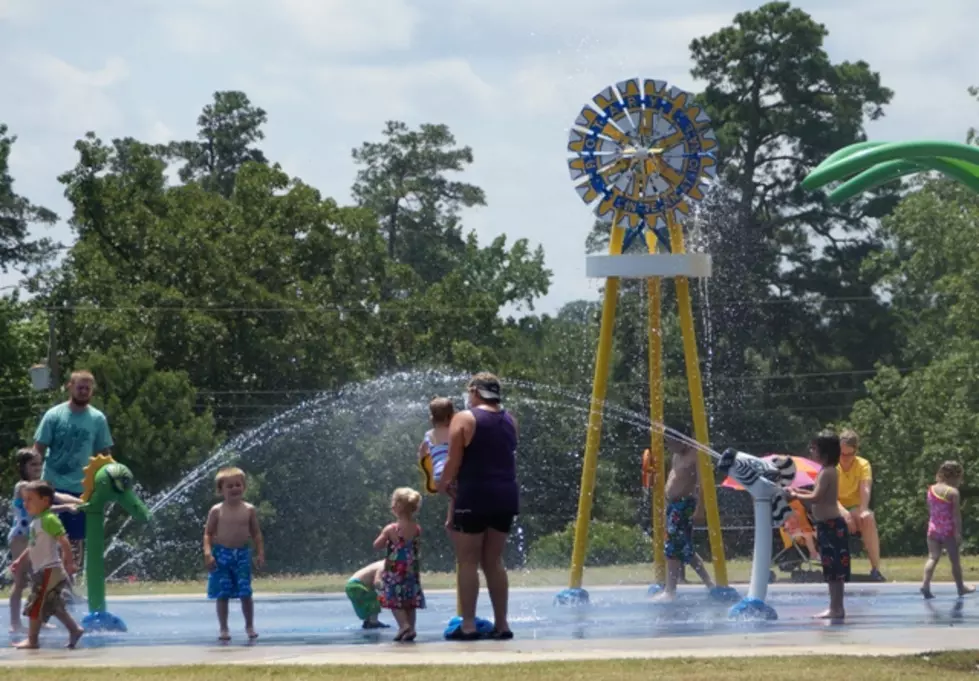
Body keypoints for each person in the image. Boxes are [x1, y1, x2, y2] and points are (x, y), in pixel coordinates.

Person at [438, 372, 518, 641]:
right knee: (494, 561)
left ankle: (469, 625)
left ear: (474, 391)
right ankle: (502, 624)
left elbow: (453, 461)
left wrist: (441, 483)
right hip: (506, 496)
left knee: (468, 561)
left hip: (474, 495)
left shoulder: (464, 417)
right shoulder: (510, 420)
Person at [33, 370, 114, 573]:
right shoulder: (54, 415)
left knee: (76, 539)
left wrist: (108, 481)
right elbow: (38, 450)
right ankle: (48, 580)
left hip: (81, 489)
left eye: (88, 388)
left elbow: (105, 454)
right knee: (49, 536)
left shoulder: (97, 419)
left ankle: (70, 582)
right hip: (51, 486)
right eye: (80, 387)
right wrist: (32, 482)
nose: (84, 391)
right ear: (70, 387)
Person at [8, 449, 82, 632]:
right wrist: (66, 507)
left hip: (34, 535)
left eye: (40, 464)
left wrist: (81, 501)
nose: (38, 468)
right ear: (22, 467)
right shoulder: (23, 487)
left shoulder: (39, 486)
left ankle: (39, 619)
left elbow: (55, 496)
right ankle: (15, 623)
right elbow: (45, 506)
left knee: (38, 580)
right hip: (21, 536)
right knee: (20, 580)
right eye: (33, 464)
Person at [787, 430, 848, 620]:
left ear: (825, 453)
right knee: (833, 570)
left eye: (814, 448)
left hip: (831, 526)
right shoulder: (827, 471)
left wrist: (795, 495)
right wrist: (797, 490)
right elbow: (817, 494)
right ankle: (837, 607)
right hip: (828, 526)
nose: (811, 451)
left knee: (834, 570)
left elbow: (816, 497)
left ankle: (835, 608)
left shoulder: (827, 472)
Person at [203, 467, 265, 642]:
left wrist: (260, 552)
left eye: (238, 485)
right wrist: (208, 553)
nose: (234, 489)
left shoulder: (249, 509)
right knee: (223, 593)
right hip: (222, 554)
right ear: (220, 490)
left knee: (246, 591)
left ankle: (249, 625)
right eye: (229, 486)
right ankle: (223, 628)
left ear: (244, 487)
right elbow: (207, 533)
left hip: (242, 554)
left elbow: (256, 533)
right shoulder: (216, 510)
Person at [651, 436, 714, 602]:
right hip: (674, 506)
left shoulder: (697, 454)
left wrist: (700, 510)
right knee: (685, 548)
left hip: (685, 505)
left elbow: (702, 484)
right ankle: (710, 584)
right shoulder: (677, 455)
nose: (669, 448)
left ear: (682, 440)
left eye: (671, 443)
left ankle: (670, 591)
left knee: (672, 546)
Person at [374, 487, 426, 642]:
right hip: (411, 571)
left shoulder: (392, 529)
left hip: (395, 571)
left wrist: (384, 538)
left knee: (394, 600)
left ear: (398, 506)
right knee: (410, 600)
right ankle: (411, 628)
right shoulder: (416, 528)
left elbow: (377, 545)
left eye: (393, 503)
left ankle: (403, 626)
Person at [836, 429, 885, 581]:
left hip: (854, 508)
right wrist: (844, 514)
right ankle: (837, 568)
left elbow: (865, 488)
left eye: (849, 454)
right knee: (836, 520)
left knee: (868, 518)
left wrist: (863, 509)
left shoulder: (863, 464)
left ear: (855, 451)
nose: (845, 458)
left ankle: (875, 569)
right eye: (842, 454)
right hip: (835, 506)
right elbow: (830, 496)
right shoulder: (832, 465)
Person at [921, 461, 975, 599]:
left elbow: (931, 509)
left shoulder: (931, 489)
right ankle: (960, 587)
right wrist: (957, 533)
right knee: (955, 561)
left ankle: (925, 584)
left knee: (933, 557)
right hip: (948, 530)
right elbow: (956, 515)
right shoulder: (953, 492)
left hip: (933, 529)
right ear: (954, 477)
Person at [418, 397, 455, 529]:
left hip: (437, 477)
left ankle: (449, 521)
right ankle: (451, 520)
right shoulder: (453, 432)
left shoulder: (428, 434)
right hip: (452, 473)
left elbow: (422, 452)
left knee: (453, 497)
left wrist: (427, 460)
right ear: (449, 417)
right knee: (457, 496)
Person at [345, 560, 390, 629]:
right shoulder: (382, 566)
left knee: (368, 601)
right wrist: (385, 591)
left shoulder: (380, 564)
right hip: (356, 585)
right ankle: (373, 622)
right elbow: (377, 582)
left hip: (351, 585)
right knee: (374, 598)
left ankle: (368, 622)